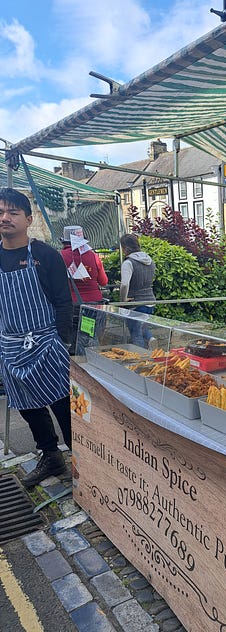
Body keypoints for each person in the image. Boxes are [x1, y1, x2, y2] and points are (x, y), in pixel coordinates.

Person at [0, 188, 72, 486]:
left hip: (46, 344)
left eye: (13, 212)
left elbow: (64, 301)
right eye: (1, 211)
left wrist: (61, 342)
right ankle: (51, 456)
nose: (5, 217)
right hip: (11, 346)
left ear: (28, 219)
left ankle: (84, 460)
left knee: (64, 406)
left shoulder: (45, 255)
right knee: (30, 408)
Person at [60, 225, 108, 354]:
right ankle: (89, 361)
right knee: (88, 336)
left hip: (70, 306)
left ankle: (73, 364)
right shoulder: (93, 256)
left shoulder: (59, 256)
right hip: (93, 305)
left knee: (70, 338)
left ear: (64, 241)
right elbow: (104, 281)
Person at [120, 233, 156, 348]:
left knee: (135, 333)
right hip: (150, 301)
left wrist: (123, 300)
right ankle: (151, 339)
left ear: (125, 248)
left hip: (135, 302)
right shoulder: (150, 261)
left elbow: (125, 284)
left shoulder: (128, 263)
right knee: (142, 326)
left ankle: (138, 358)